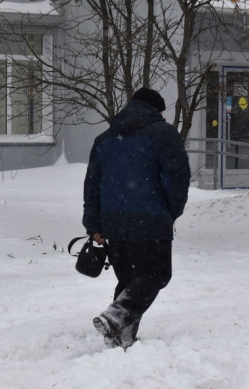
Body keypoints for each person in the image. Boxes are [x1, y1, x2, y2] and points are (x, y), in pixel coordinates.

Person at [82, 87, 191, 349]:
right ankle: (116, 316)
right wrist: (171, 210)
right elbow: (177, 177)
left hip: (114, 221)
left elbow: (92, 185)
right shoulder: (164, 134)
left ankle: (118, 336)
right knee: (157, 273)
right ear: (157, 109)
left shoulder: (105, 138)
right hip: (151, 219)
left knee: (130, 280)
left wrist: (94, 223)